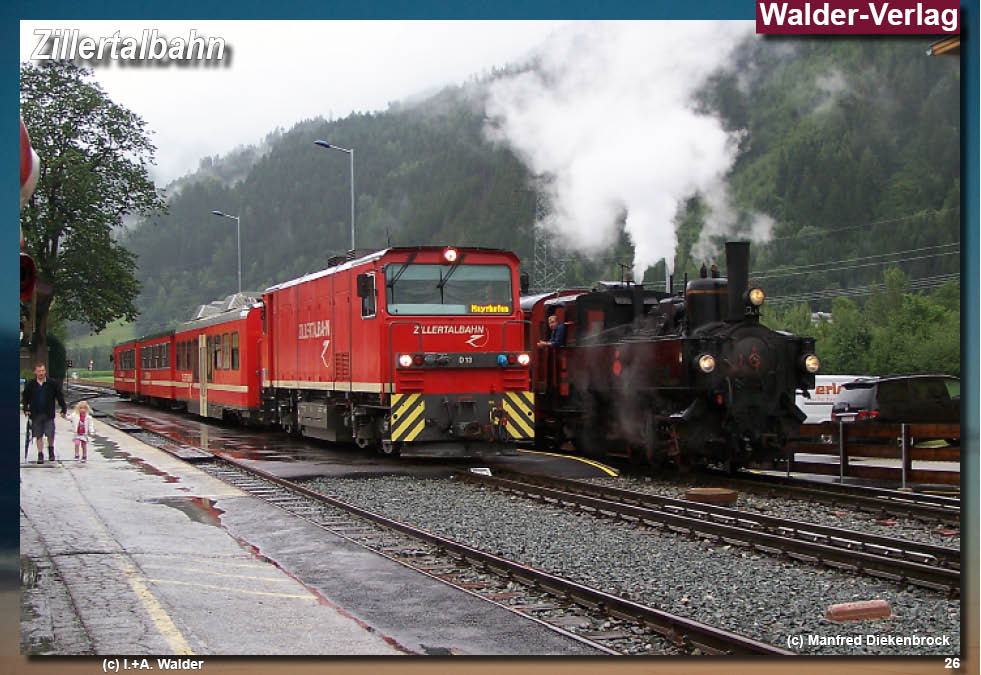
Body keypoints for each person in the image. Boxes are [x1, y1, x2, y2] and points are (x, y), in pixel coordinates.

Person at [21, 363, 67, 464]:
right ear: (35, 372)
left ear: (45, 371)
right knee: (38, 435)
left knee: (50, 433)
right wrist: (25, 408)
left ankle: (51, 450)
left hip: (48, 413)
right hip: (35, 413)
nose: (41, 373)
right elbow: (25, 397)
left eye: (42, 371)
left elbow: (59, 396)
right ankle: (40, 454)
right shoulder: (30, 384)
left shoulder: (52, 383)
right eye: (39, 371)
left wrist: (63, 408)